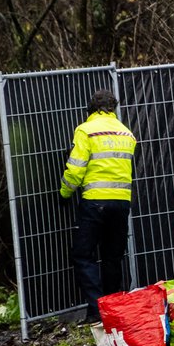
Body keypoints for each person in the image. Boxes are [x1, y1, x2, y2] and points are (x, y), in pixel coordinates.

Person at [60, 89, 138, 323]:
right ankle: (113, 309)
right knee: (113, 256)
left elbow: (75, 169)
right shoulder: (127, 134)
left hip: (95, 201)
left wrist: (64, 193)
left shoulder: (86, 130)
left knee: (84, 254)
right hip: (122, 202)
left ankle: (96, 311)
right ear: (114, 108)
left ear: (91, 108)